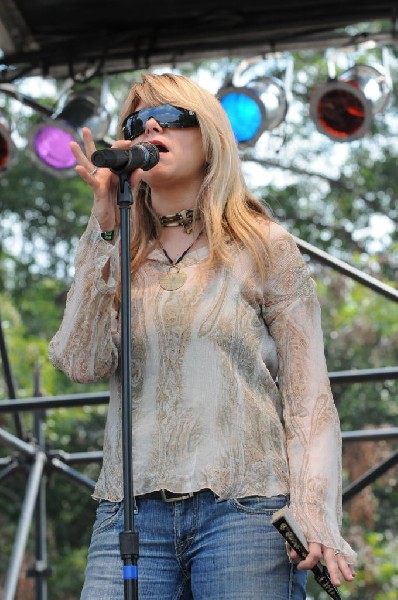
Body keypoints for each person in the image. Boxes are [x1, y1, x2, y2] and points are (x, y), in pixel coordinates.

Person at [49, 72, 357, 600]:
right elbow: (80, 359)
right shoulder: (118, 247)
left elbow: (309, 399)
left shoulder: (264, 245)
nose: (148, 125)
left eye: (168, 116)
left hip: (244, 513)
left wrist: (311, 506)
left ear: (209, 133)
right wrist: (104, 226)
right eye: (135, 122)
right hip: (130, 514)